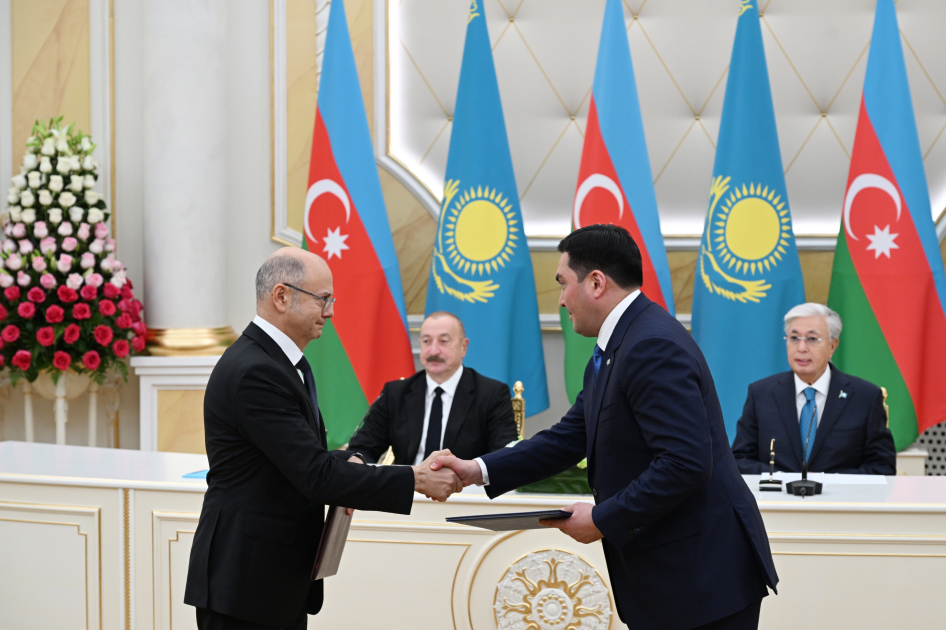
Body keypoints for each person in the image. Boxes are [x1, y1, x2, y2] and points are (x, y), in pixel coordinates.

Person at [433, 224, 777, 630]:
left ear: (596, 283)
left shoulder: (650, 345)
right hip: (679, 580)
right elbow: (570, 436)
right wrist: (477, 469)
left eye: (563, 283)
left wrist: (602, 519)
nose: (561, 299)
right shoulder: (619, 345)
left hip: (701, 581)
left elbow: (685, 462)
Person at [183, 248, 461, 630]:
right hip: (246, 583)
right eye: (322, 299)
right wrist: (415, 478)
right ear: (282, 296)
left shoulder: (277, 362)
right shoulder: (256, 371)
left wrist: (349, 462)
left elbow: (294, 457)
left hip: (268, 581)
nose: (330, 312)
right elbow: (314, 475)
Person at [731, 303, 896, 475]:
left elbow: (883, 467)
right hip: (777, 492)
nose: (801, 348)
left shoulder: (865, 397)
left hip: (838, 493)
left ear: (832, 346)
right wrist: (781, 479)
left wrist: (829, 483)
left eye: (812, 339)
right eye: (794, 338)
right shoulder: (761, 394)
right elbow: (739, 460)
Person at [347, 311, 518, 465]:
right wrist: (358, 463)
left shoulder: (491, 394)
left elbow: (503, 456)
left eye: (444, 341)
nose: (433, 351)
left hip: (465, 487)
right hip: (408, 486)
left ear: (463, 347)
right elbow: (362, 448)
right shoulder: (396, 393)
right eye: (426, 341)